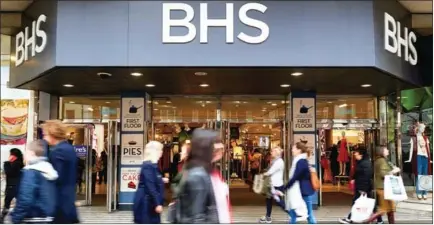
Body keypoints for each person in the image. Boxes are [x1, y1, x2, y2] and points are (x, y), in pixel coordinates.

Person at [177, 129, 220, 223]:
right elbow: (197, 215)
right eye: (212, 147)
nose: (214, 151)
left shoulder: (196, 169)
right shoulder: (198, 175)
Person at [10, 140, 58, 224]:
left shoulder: (31, 172)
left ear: (31, 153)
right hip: (46, 217)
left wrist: (16, 217)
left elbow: (25, 198)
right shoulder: (48, 170)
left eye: (26, 152)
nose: (24, 155)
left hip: (33, 217)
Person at [42, 120, 79, 224]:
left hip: (60, 203)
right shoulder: (68, 148)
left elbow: (55, 177)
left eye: (45, 134)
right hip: (67, 201)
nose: (44, 138)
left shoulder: (59, 151)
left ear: (52, 133)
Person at [339, 148, 383, 224]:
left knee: (356, 202)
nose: (354, 154)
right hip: (362, 187)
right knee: (371, 204)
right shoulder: (361, 162)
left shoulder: (365, 163)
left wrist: (363, 189)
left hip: (363, 187)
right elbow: (360, 174)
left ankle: (349, 219)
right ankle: (379, 220)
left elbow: (367, 176)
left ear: (361, 154)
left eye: (356, 152)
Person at [133, 141, 168, 224]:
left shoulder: (152, 165)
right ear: (154, 151)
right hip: (146, 203)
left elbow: (151, 179)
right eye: (160, 150)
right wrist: (158, 203)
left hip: (149, 202)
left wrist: (161, 179)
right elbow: (150, 185)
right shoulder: (148, 165)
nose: (161, 152)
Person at [283, 142, 316, 224]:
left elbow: (296, 176)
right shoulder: (300, 160)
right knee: (296, 212)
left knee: (308, 214)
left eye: (294, 148)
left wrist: (287, 186)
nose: (292, 150)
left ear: (299, 150)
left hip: (302, 190)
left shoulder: (300, 161)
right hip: (300, 190)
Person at [369, 146, 400, 224]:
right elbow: (384, 174)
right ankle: (366, 220)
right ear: (382, 151)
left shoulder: (380, 160)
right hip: (383, 188)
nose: (388, 150)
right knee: (384, 209)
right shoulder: (382, 161)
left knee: (390, 209)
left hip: (384, 188)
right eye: (386, 149)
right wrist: (394, 171)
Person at [259, 147, 285, 224]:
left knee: (278, 201)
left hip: (276, 185)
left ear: (277, 153)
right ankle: (268, 216)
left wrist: (263, 174)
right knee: (269, 200)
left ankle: (290, 211)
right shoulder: (274, 161)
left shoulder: (279, 162)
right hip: (272, 184)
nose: (271, 152)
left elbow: (270, 172)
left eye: (272, 151)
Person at [1, 148, 24, 222]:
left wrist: (6, 163)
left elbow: (9, 173)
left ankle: (2, 219)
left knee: (7, 203)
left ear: (14, 156)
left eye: (11, 154)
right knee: (20, 203)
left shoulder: (16, 164)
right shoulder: (20, 163)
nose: (9, 156)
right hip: (18, 186)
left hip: (12, 187)